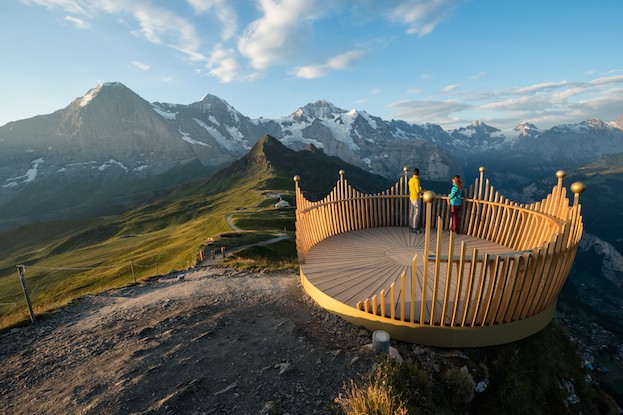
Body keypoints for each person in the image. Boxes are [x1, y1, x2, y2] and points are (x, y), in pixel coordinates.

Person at [408, 168, 422, 233]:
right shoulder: (416, 180)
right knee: (416, 212)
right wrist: (422, 191)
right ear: (418, 173)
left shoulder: (410, 180)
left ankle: (411, 225)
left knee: (412, 211)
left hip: (411, 197)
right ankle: (415, 227)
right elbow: (417, 190)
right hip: (416, 197)